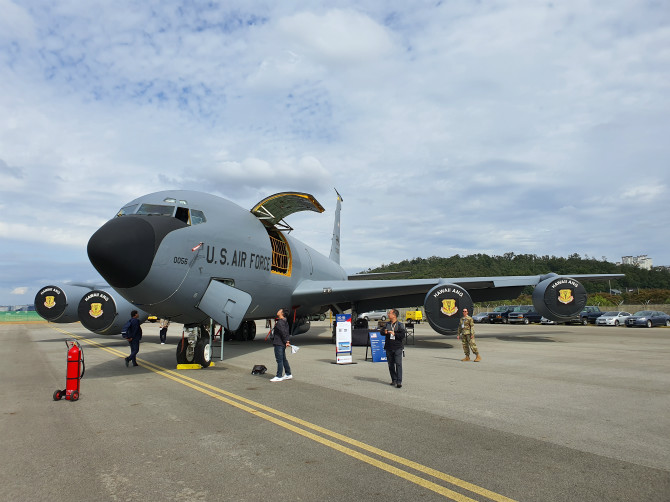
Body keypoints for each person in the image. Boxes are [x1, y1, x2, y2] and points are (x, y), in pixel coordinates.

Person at [382, 309, 406, 388]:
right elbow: (381, 331)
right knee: (390, 364)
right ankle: (394, 379)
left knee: (398, 364)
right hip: (389, 346)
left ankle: (399, 381)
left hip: (397, 347)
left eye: (390, 313)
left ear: (394, 315)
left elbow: (402, 335)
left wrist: (394, 333)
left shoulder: (400, 324)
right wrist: (384, 332)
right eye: (388, 313)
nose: (388, 314)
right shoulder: (387, 324)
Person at [270, 308, 292, 382]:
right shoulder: (285, 321)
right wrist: (287, 341)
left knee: (279, 360)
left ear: (282, 313)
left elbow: (283, 332)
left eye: (279, 310)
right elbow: (287, 332)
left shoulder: (280, 322)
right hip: (282, 343)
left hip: (278, 343)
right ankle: (288, 374)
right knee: (283, 359)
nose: (278, 311)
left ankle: (279, 376)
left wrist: (287, 341)